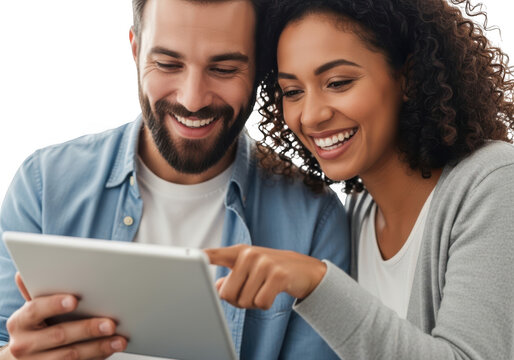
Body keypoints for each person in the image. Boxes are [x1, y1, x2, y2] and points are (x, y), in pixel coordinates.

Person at [0, 0, 350, 359]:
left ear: (261, 67)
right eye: (168, 64)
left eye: (224, 68)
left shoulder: (314, 223)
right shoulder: (43, 185)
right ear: (135, 50)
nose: (192, 99)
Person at [206, 0, 514, 358]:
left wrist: (317, 283)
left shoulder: (494, 183)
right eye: (293, 91)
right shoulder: (358, 214)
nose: (312, 115)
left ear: (409, 77)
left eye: (337, 83)